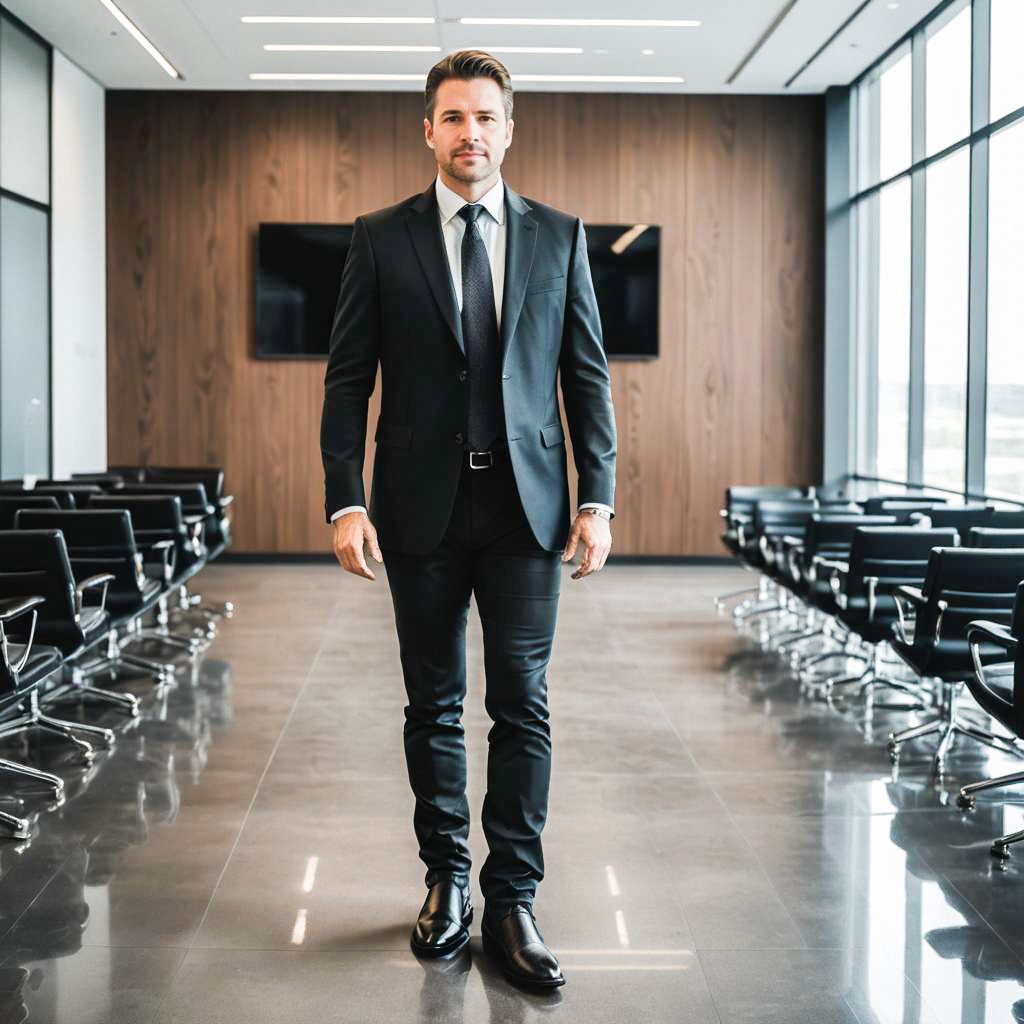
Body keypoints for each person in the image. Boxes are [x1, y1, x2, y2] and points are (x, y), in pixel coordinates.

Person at [320, 49, 617, 991]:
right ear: (428, 130)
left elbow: (586, 376)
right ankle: (447, 881)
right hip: (417, 511)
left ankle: (513, 897)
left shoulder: (559, 236)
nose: (470, 134)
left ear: (509, 128)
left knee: (522, 706)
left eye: (486, 117)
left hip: (528, 511)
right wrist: (345, 496)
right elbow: (347, 378)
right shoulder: (379, 237)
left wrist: (598, 496)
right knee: (433, 702)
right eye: (453, 118)